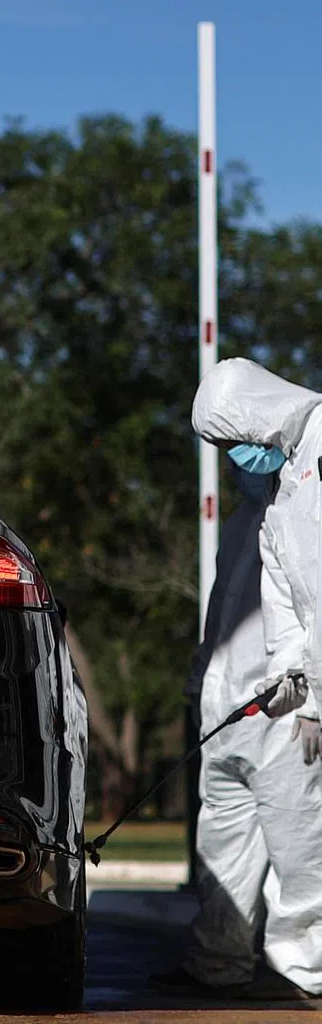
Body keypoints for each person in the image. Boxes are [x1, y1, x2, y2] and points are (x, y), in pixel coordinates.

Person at [186, 356, 322, 997]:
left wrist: (313, 697)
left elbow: (319, 598)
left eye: (233, 436)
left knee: (301, 849)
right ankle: (218, 966)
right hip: (238, 709)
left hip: (290, 717)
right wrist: (205, 686)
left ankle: (304, 975)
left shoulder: (317, 460)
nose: (237, 455)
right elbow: (255, 606)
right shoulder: (258, 511)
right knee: (223, 847)